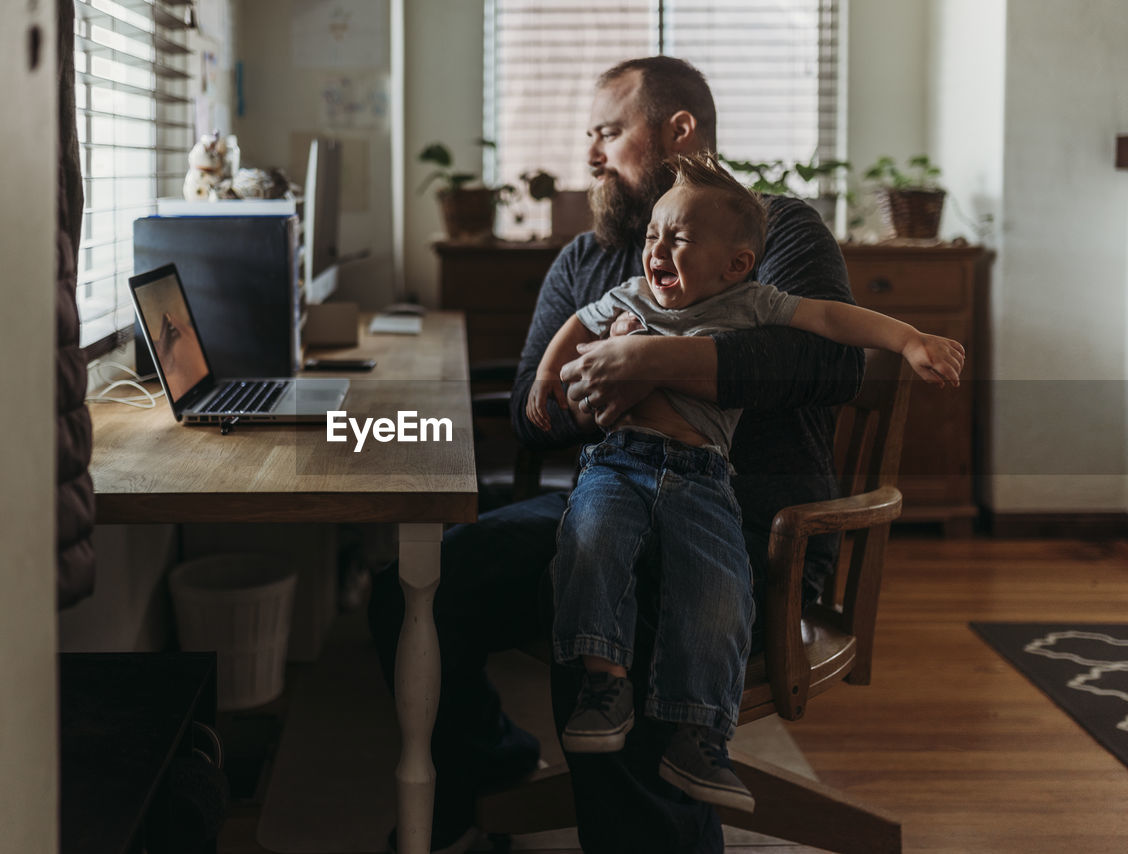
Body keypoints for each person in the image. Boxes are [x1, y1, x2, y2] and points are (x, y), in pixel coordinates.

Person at [368, 55, 868, 854]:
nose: (591, 155)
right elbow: (533, 419)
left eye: (608, 132)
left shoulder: (774, 230)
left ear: (678, 131)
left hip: (752, 527)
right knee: (414, 590)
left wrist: (649, 363)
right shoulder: (587, 263)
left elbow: (831, 363)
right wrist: (599, 388)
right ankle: (489, 769)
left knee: (619, 615)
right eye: (589, 137)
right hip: (612, 497)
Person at [527, 152, 962, 814]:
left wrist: (907, 339)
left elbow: (832, 326)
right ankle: (603, 683)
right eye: (652, 237)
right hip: (620, 462)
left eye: (678, 240)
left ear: (733, 264)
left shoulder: (752, 304)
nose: (656, 251)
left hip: (704, 476)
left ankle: (700, 738)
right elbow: (576, 325)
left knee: (719, 587)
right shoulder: (631, 296)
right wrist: (547, 377)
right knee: (590, 544)